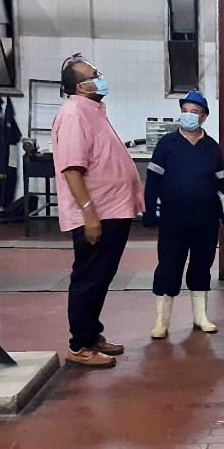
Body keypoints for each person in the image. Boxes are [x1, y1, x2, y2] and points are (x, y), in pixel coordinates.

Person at [51, 54, 144, 367]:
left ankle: (91, 334)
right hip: (98, 213)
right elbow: (72, 169)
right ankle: (80, 346)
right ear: (81, 87)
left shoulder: (93, 111)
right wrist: (89, 214)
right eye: (94, 74)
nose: (100, 77)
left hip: (112, 210)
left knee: (101, 276)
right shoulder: (74, 114)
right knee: (89, 277)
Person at [143, 90, 224, 339]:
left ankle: (201, 317)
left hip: (205, 218)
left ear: (203, 117)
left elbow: (223, 183)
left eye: (194, 112)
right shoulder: (167, 144)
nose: (188, 116)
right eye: (185, 111)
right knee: (168, 266)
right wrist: (149, 210)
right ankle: (162, 322)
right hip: (173, 218)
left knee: (202, 265)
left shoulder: (211, 147)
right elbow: (153, 180)